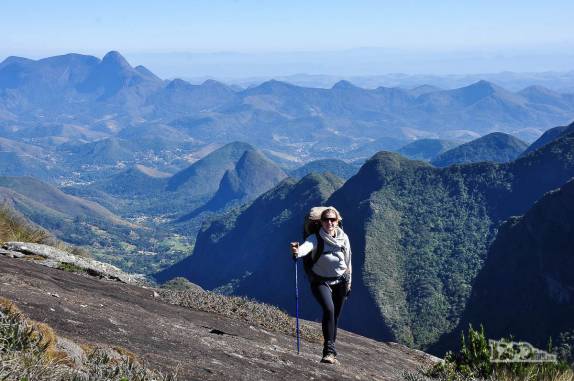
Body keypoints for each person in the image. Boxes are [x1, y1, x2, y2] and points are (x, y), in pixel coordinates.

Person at [290, 207, 352, 364]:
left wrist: (349, 283)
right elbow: (306, 248)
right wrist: (297, 251)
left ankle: (332, 349)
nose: (329, 222)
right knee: (329, 310)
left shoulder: (344, 238)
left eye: (333, 220)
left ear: (338, 222)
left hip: (342, 281)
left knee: (334, 317)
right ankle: (328, 352)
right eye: (326, 220)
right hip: (320, 281)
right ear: (321, 222)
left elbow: (348, 261)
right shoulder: (315, 238)